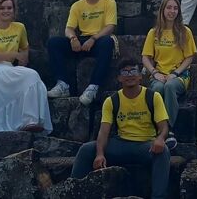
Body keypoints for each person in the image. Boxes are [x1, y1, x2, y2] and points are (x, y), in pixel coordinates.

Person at [70, 58, 171, 199]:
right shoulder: (112, 101)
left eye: (133, 71)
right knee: (86, 150)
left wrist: (160, 139)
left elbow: (164, 127)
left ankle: (158, 197)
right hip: (121, 143)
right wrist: (100, 154)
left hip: (145, 145)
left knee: (163, 151)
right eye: (125, 72)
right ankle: (73, 193)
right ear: (119, 78)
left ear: (140, 76)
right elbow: (103, 131)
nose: (129, 75)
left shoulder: (153, 97)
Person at [0, 0, 52, 134]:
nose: (6, 11)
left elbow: (25, 47)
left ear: (14, 10)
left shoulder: (19, 28)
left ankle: (31, 121)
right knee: (31, 75)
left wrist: (24, 58)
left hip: (7, 68)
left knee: (33, 78)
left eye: (9, 8)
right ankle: (27, 120)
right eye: (2, 8)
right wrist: (13, 55)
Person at [47, 0, 117, 106]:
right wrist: (73, 39)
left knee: (107, 42)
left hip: (99, 40)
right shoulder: (77, 5)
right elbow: (69, 28)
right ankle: (63, 84)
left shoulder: (109, 2)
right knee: (54, 43)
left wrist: (93, 39)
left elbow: (110, 26)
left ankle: (93, 87)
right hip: (82, 40)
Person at [142, 0, 197, 149]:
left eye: (175, 8)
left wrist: (175, 73)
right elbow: (145, 57)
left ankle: (168, 130)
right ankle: (155, 128)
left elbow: (189, 57)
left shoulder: (185, 31)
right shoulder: (153, 33)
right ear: (162, 10)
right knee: (157, 89)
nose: (172, 11)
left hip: (179, 75)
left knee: (169, 86)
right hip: (159, 73)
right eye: (169, 7)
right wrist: (155, 73)